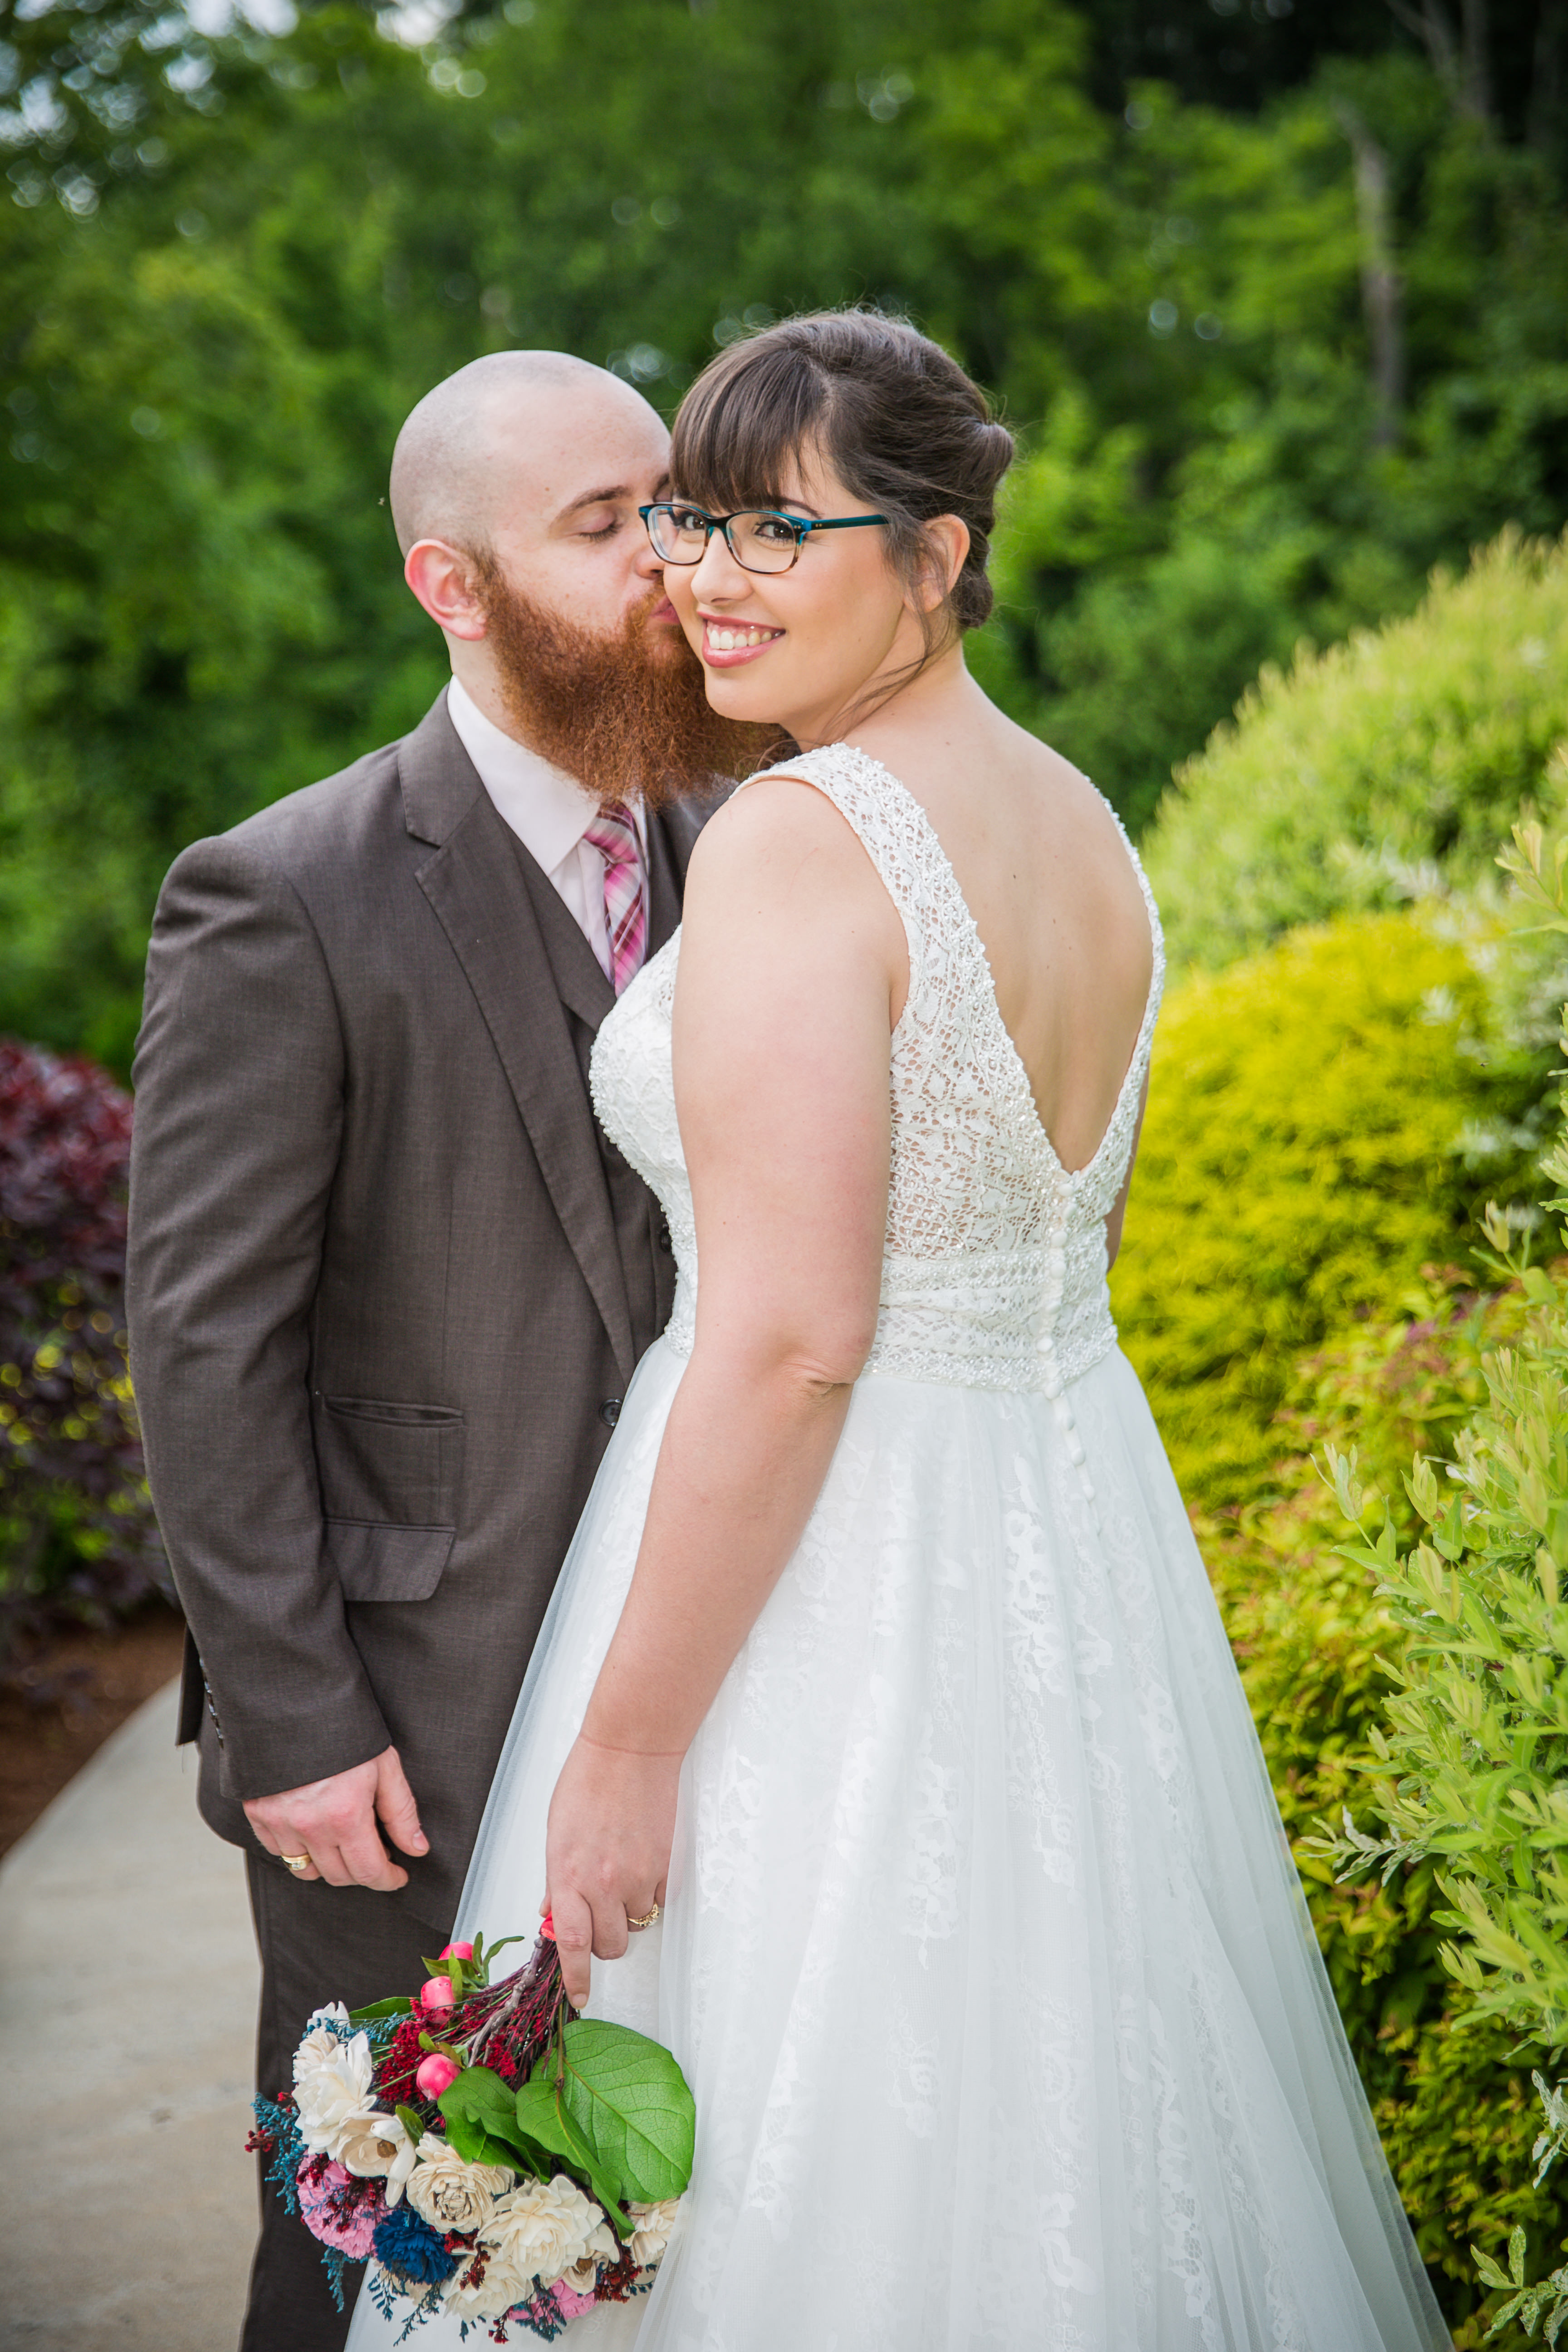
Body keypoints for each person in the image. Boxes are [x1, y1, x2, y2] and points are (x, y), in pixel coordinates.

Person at [348, 313, 1451, 2349]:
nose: (708, 574)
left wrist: (628, 1748)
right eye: (694, 520)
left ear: (937, 558)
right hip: (1062, 1551)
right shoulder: (1086, 826)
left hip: (831, 1583)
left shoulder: (804, 835)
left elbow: (795, 1341)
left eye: (782, 530)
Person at [126, 349, 758, 2352]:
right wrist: (293, 1716)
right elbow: (205, 1341)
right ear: (450, 585)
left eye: (674, 507)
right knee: (374, 2263)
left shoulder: (758, 840)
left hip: (724, 1681)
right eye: (605, 524)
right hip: (404, 1720)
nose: (670, 561)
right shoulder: (282, 895)